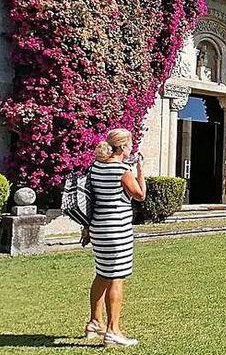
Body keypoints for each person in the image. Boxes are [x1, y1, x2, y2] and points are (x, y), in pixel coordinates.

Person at [82, 128, 147, 346]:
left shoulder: (96, 167)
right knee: (116, 278)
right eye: (130, 145)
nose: (132, 149)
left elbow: (90, 199)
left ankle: (94, 322)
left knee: (102, 274)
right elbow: (140, 195)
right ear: (122, 147)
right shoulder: (122, 169)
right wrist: (140, 170)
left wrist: (86, 227)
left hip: (98, 227)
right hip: (116, 230)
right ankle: (113, 330)